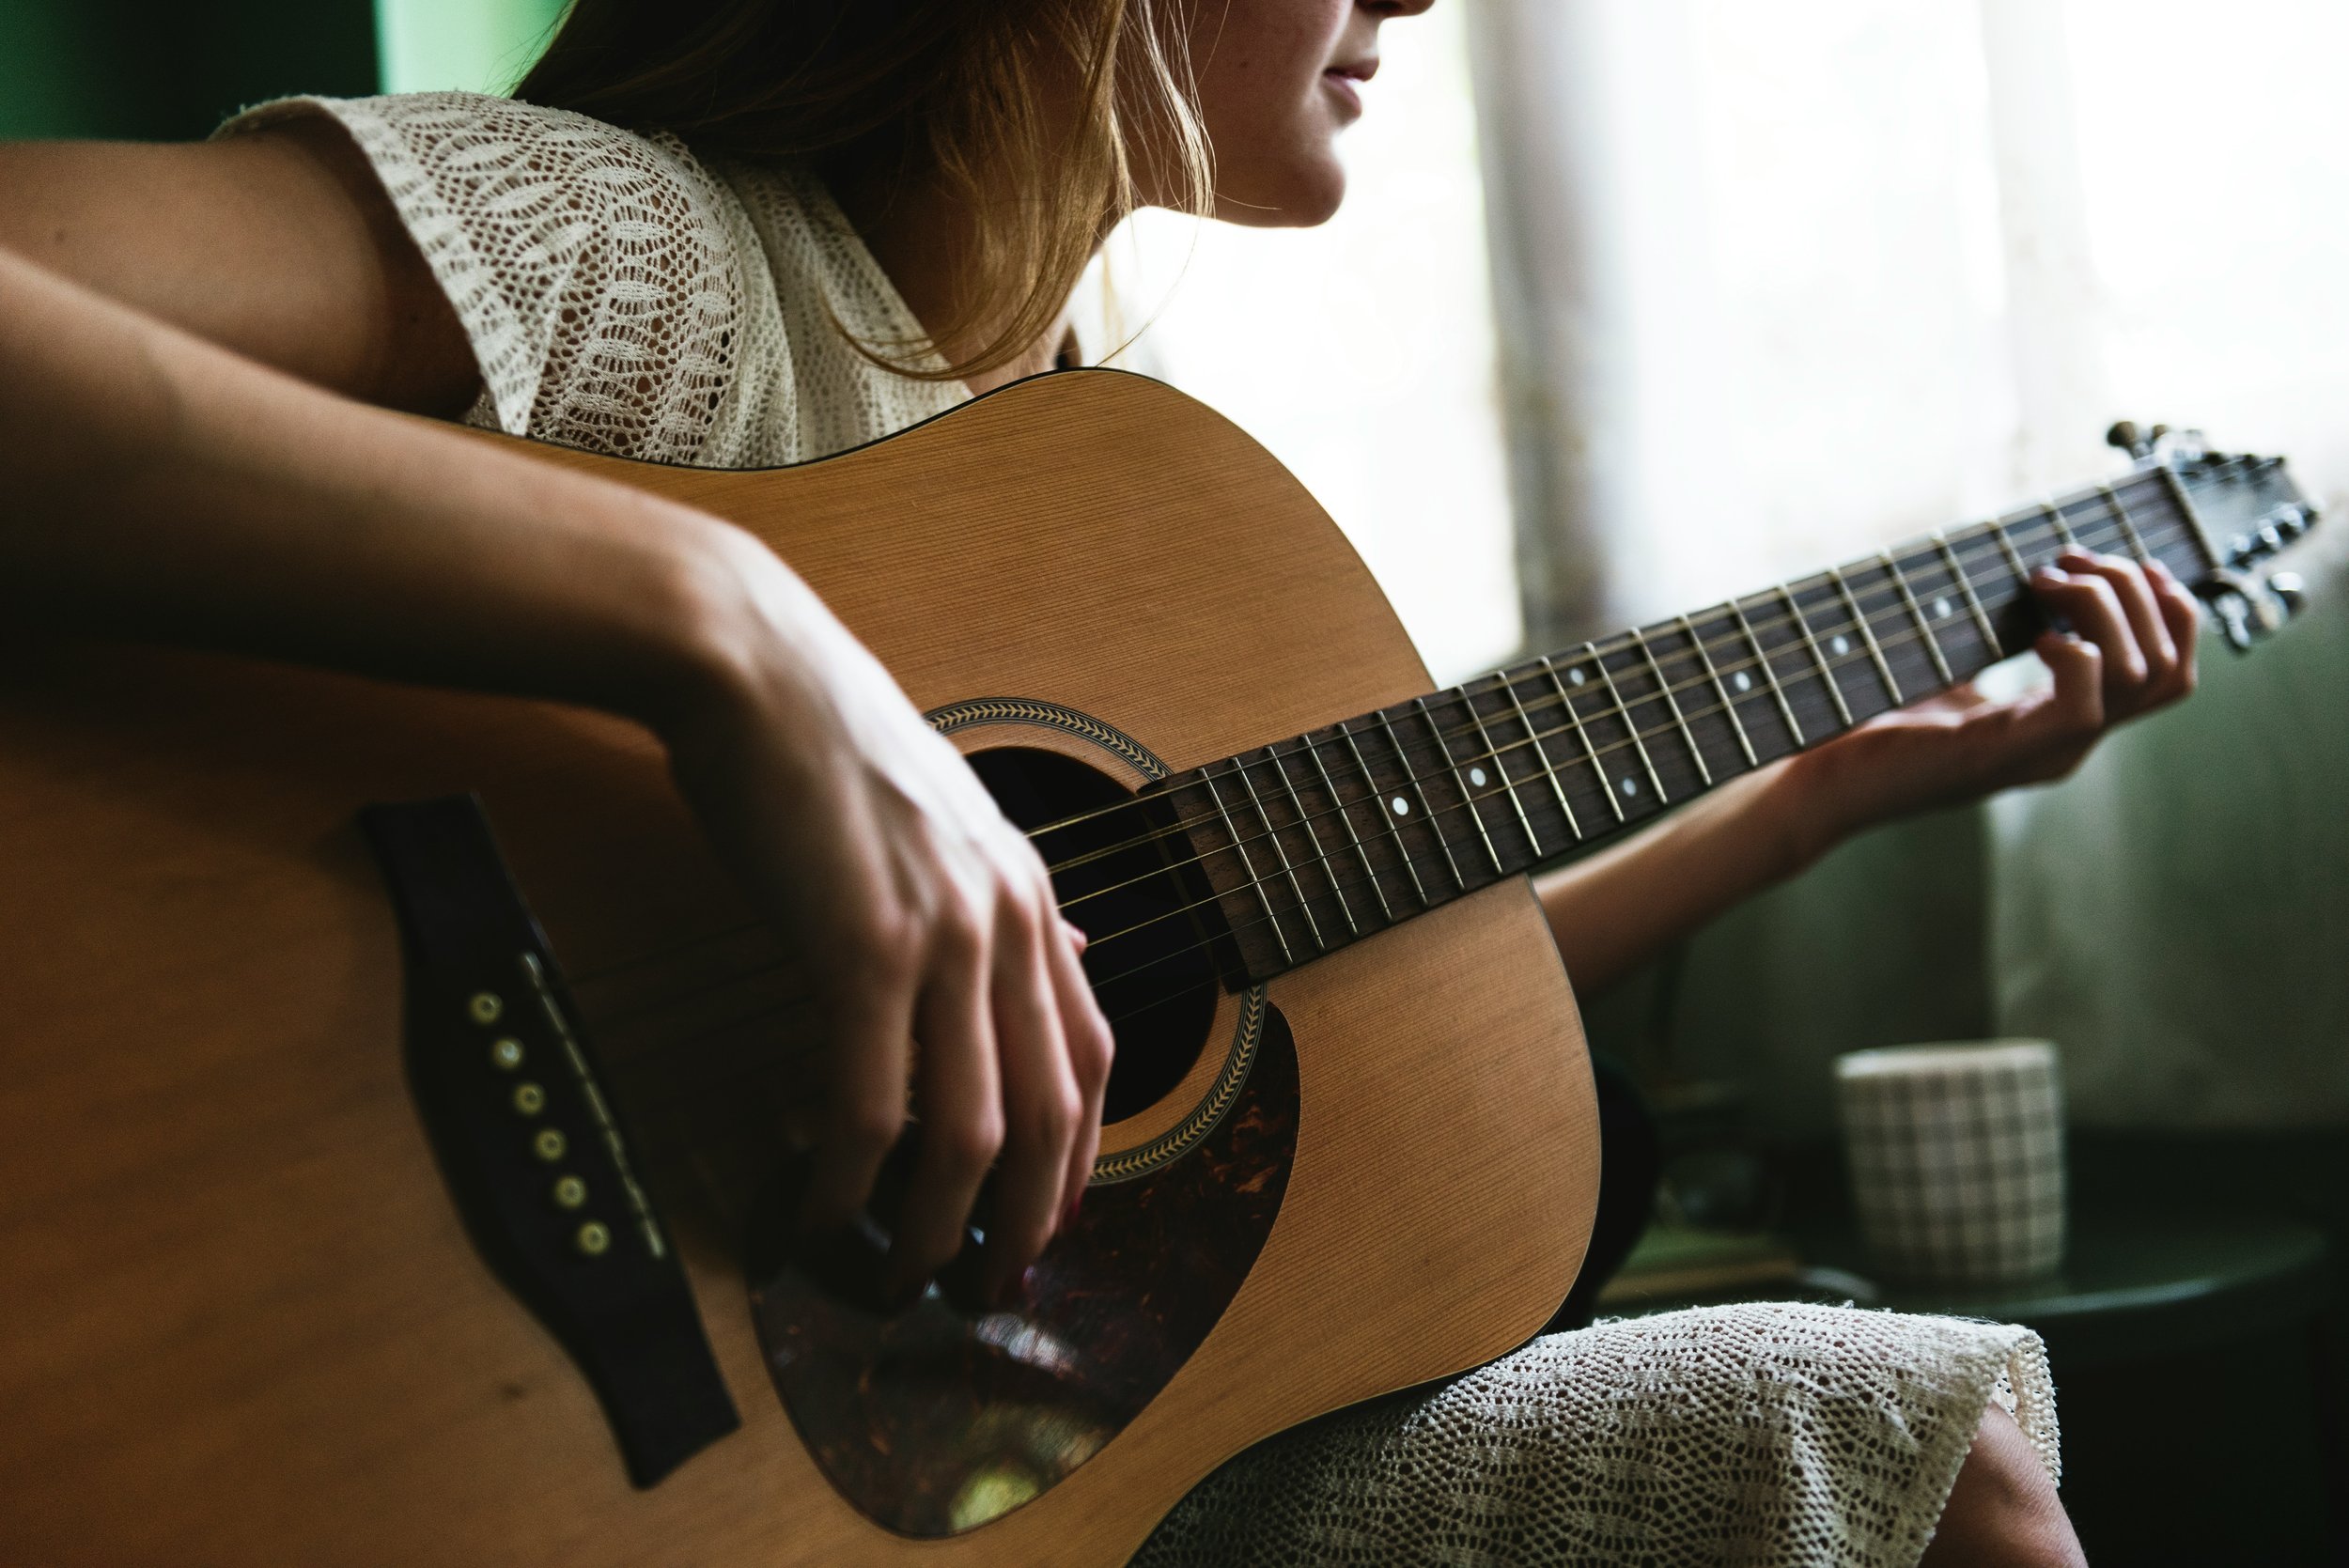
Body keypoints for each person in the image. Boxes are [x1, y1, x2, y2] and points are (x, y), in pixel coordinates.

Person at [0, 2, 2200, 1561]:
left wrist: (1814, 796)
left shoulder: (1094, 468)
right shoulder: (637, 261)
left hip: (974, 1470)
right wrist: (728, 636)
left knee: (1923, 1456)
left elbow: (1290, 1046)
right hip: (389, 1390)